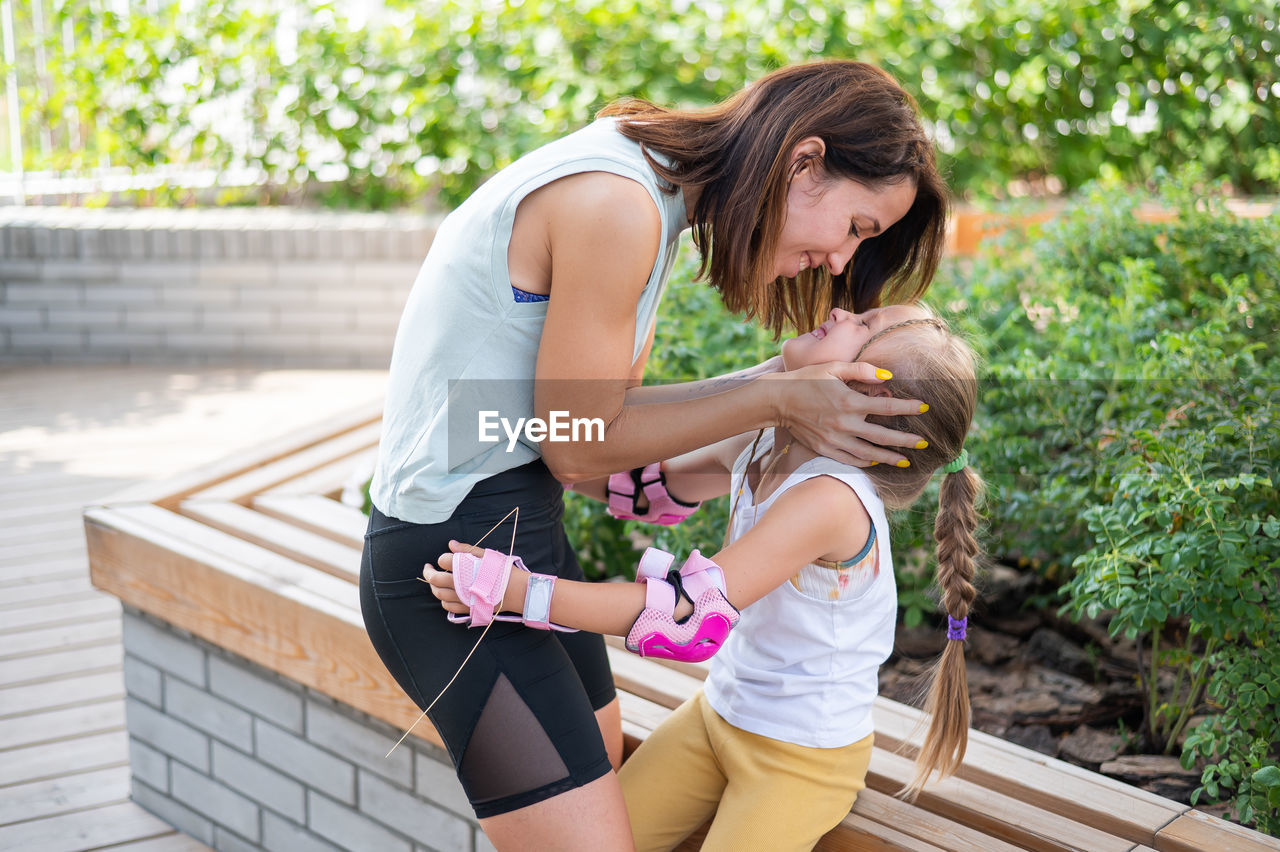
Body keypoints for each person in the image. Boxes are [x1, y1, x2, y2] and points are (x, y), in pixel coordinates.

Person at [361, 59, 948, 850]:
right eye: (855, 229)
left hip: (520, 534)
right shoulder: (618, 204)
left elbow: (588, 427)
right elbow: (577, 449)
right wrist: (775, 395)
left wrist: (777, 384)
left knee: (614, 807)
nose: (842, 265)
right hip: (450, 565)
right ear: (804, 163)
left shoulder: (652, 194)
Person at [426, 303, 983, 851]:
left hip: (800, 759)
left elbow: (686, 618)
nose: (840, 311)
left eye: (863, 325)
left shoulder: (831, 499)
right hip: (718, 716)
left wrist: (520, 593)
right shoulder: (772, 438)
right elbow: (648, 483)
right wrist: (524, 457)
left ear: (871, 396)